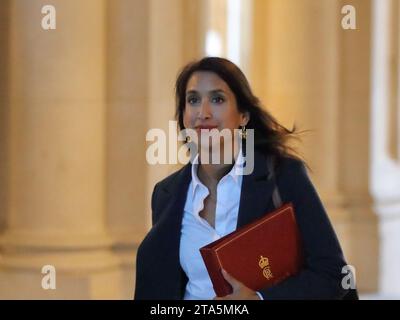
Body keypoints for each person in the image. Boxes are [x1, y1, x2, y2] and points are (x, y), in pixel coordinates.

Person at [134, 57, 358, 300]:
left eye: (217, 99)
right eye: (193, 100)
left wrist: (259, 299)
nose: (203, 112)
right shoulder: (166, 193)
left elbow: (333, 274)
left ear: (243, 116)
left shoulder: (283, 175)